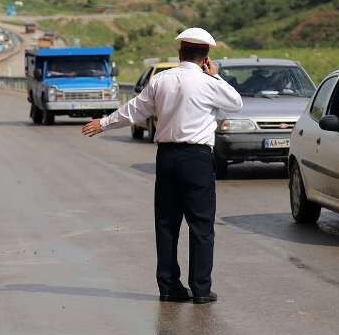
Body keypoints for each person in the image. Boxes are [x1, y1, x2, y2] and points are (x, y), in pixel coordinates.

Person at [81, 27, 242, 304]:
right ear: (206, 57)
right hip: (197, 159)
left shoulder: (161, 80)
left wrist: (104, 123)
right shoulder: (209, 82)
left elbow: (134, 110)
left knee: (167, 224)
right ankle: (201, 289)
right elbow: (236, 103)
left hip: (167, 158)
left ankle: (169, 287)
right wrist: (214, 74)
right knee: (201, 225)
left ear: (180, 53)